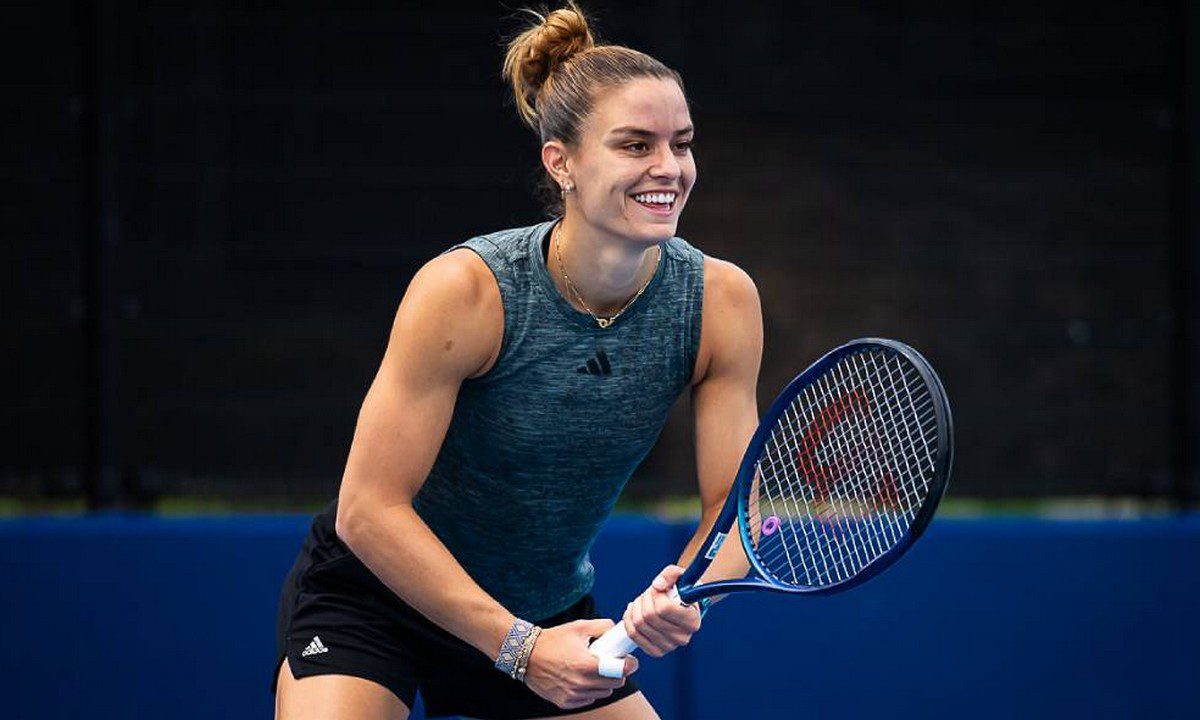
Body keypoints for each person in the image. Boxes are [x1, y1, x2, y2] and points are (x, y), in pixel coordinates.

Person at [272, 3, 761, 718]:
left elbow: (734, 508)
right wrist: (520, 649)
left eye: (680, 144)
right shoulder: (467, 291)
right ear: (561, 163)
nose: (668, 168)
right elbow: (369, 511)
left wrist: (690, 595)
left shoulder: (720, 301)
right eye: (634, 145)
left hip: (547, 610)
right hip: (377, 600)